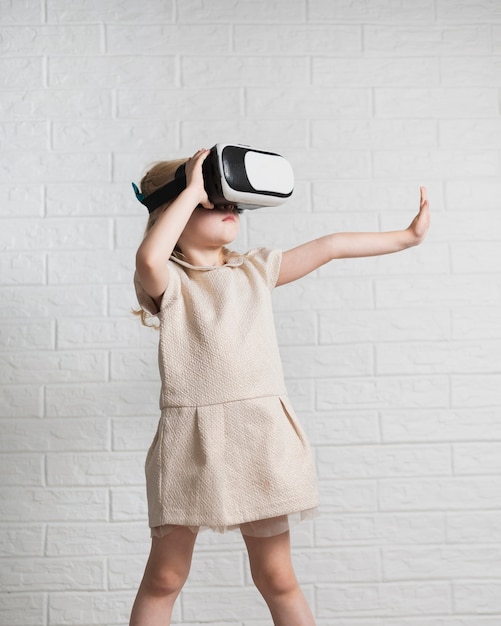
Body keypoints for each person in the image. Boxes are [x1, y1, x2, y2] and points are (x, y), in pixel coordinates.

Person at [129, 148, 430, 626]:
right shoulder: (168, 281)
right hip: (189, 445)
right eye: (213, 201)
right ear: (176, 210)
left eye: (235, 204)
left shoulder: (256, 270)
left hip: (260, 438)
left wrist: (407, 238)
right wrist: (191, 189)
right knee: (165, 578)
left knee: (277, 577)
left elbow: (331, 245)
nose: (229, 209)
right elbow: (149, 254)